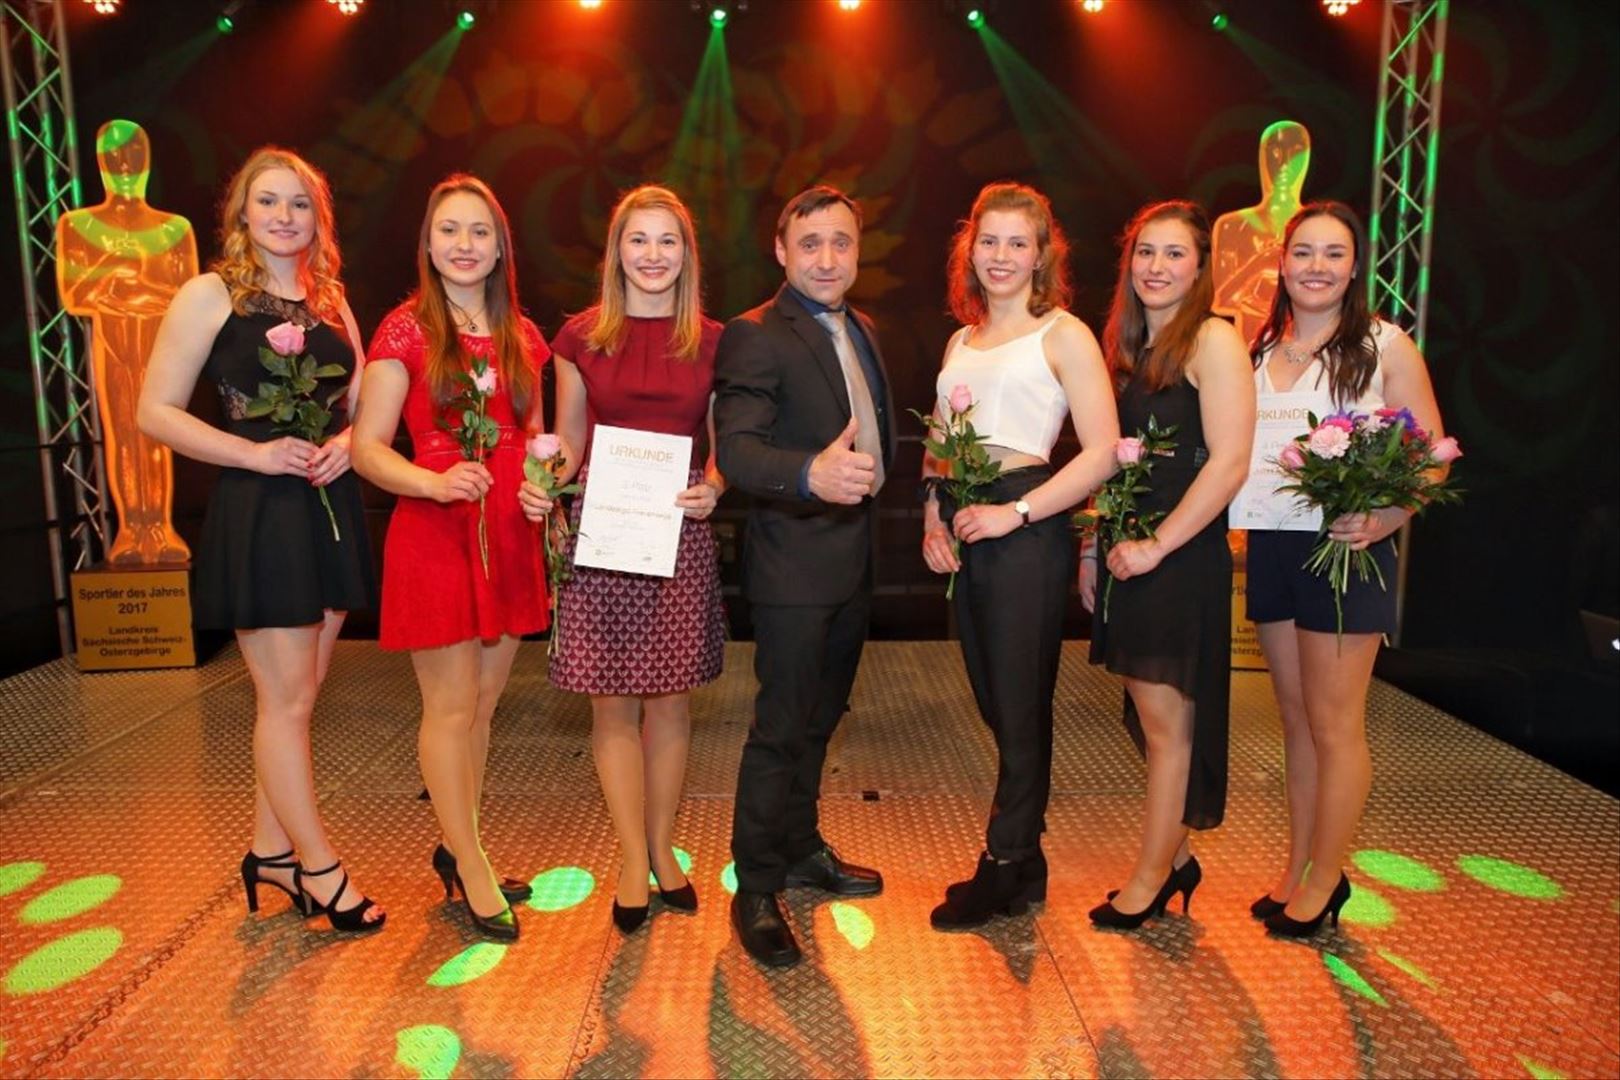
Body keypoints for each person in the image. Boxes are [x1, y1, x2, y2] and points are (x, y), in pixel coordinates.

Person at [138, 146, 382, 931]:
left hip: (327, 507)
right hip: (261, 509)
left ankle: (271, 853)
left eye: (299, 203)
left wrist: (346, 444)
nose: (284, 216)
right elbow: (153, 412)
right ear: (242, 211)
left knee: (300, 700)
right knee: (285, 701)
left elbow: (365, 405)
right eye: (269, 201)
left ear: (319, 218)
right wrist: (254, 454)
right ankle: (321, 870)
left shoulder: (334, 303)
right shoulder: (210, 295)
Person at [520, 185, 725, 935]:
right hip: (603, 533)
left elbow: (723, 446)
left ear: (686, 254)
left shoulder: (715, 340)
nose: (652, 254)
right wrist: (543, 481)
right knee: (610, 703)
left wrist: (714, 486)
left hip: (678, 531)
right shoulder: (579, 337)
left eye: (667, 240)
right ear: (617, 252)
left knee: (670, 703)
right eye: (638, 240)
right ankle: (631, 858)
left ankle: (663, 848)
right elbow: (570, 438)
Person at [350, 174, 550, 941]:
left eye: (479, 231)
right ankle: (471, 863)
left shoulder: (522, 336)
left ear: (500, 248)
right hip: (436, 526)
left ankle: (459, 843)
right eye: (449, 230)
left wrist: (543, 483)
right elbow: (368, 448)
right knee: (451, 707)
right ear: (428, 245)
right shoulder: (404, 330)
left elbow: (537, 438)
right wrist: (433, 483)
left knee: (485, 705)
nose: (464, 245)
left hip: (508, 528)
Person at [1241, 201, 1448, 937]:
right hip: (1273, 546)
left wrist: (1385, 517)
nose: (1317, 267)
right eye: (1303, 252)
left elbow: (1431, 455)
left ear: (1356, 266)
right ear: (1282, 262)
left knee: (1335, 726)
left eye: (1334, 254)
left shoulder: (1385, 344)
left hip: (1345, 554)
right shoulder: (1260, 348)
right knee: (1296, 721)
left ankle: (1328, 879)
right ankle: (1300, 865)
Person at [920, 181, 1119, 929]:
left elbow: (1103, 452)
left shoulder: (1063, 334)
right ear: (969, 250)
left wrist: (1018, 512)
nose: (1000, 255)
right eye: (989, 241)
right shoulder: (960, 342)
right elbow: (939, 442)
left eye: (1017, 242)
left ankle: (1003, 862)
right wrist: (933, 518)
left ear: (1042, 255)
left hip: (1026, 524)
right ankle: (1027, 861)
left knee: (1020, 699)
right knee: (993, 698)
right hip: (969, 521)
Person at [713, 185, 894, 968]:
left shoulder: (864, 328)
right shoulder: (755, 334)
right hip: (792, 567)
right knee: (781, 729)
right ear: (782, 251)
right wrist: (808, 473)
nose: (827, 258)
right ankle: (754, 887)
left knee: (823, 720)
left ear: (858, 250)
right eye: (810, 243)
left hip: (854, 560)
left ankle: (798, 847)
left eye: (841, 242)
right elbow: (737, 449)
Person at [1082, 201, 1255, 930]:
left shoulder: (1213, 340)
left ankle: (1151, 879)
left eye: (1174, 253)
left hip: (1176, 558)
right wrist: (1094, 546)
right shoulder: (1129, 347)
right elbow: (1112, 462)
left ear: (1201, 267)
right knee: (1149, 718)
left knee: (1167, 728)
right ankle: (1176, 859)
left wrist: (1157, 546)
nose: (1156, 267)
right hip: (1129, 553)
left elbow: (1230, 463)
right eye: (1145, 252)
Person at [58, 119, 196, 565]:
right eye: (113, 154)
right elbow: (75, 293)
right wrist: (124, 284)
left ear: (148, 159)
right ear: (100, 161)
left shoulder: (173, 229)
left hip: (161, 343)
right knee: (123, 435)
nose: (123, 163)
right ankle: (132, 527)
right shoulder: (79, 225)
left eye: (133, 152)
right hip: (115, 344)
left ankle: (160, 525)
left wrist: (127, 285)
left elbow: (189, 295)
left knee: (160, 433)